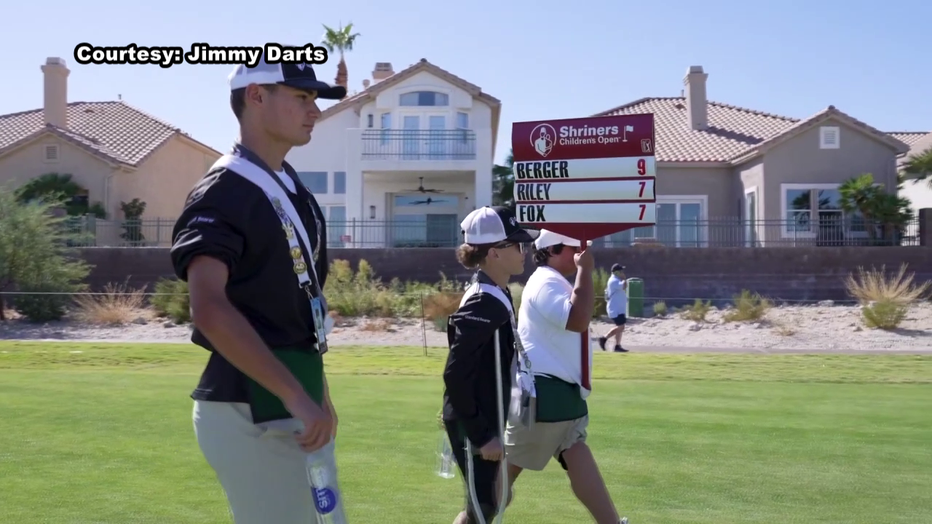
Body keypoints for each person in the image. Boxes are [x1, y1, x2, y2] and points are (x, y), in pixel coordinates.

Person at [169, 50, 347, 523]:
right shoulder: (224, 189)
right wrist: (295, 396)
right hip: (251, 408)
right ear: (256, 96)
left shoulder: (292, 190)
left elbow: (298, 312)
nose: (316, 110)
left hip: (296, 401)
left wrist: (318, 397)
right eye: (302, 96)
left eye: (316, 98)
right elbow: (209, 309)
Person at [504, 230, 629, 524]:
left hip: (560, 396)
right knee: (499, 479)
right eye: (575, 246)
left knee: (575, 451)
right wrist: (585, 270)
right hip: (544, 396)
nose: (582, 251)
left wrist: (582, 271)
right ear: (554, 249)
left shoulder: (553, 281)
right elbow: (577, 319)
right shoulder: (545, 282)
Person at [442, 206, 539, 524]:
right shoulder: (484, 299)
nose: (524, 251)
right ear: (494, 253)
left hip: (484, 416)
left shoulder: (495, 291)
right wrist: (482, 435)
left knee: (492, 500)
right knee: (487, 505)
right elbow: (455, 372)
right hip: (475, 423)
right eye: (517, 245)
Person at [598, 263, 629, 353]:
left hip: (619, 308)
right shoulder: (614, 281)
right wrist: (624, 279)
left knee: (620, 327)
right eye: (620, 271)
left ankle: (617, 346)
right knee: (621, 327)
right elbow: (624, 286)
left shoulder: (616, 280)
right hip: (615, 309)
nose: (622, 272)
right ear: (616, 272)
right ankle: (604, 338)